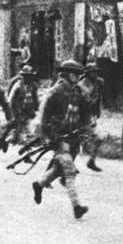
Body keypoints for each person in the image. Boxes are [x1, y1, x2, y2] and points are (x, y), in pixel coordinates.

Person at [31, 60, 89, 220]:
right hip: (59, 137)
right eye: (73, 74)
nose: (76, 77)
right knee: (69, 171)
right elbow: (44, 117)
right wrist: (48, 137)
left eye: (78, 74)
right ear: (65, 74)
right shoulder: (56, 92)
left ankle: (39, 184)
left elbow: (86, 110)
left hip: (74, 136)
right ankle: (77, 206)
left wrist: (86, 126)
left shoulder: (79, 91)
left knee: (58, 170)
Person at [78, 62, 105, 172]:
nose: (95, 74)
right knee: (72, 145)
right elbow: (86, 101)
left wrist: (96, 112)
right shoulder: (83, 84)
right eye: (92, 72)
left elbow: (98, 100)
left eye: (96, 72)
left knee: (98, 138)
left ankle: (91, 160)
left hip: (88, 116)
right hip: (79, 116)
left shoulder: (98, 83)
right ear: (87, 74)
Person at [7, 65, 39, 145]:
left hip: (29, 111)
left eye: (31, 76)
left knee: (32, 130)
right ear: (24, 77)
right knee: (19, 131)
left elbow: (35, 99)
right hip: (19, 111)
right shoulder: (17, 86)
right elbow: (11, 100)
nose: (29, 78)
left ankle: (22, 136)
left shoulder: (34, 86)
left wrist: (37, 109)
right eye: (27, 76)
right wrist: (14, 114)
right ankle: (14, 136)